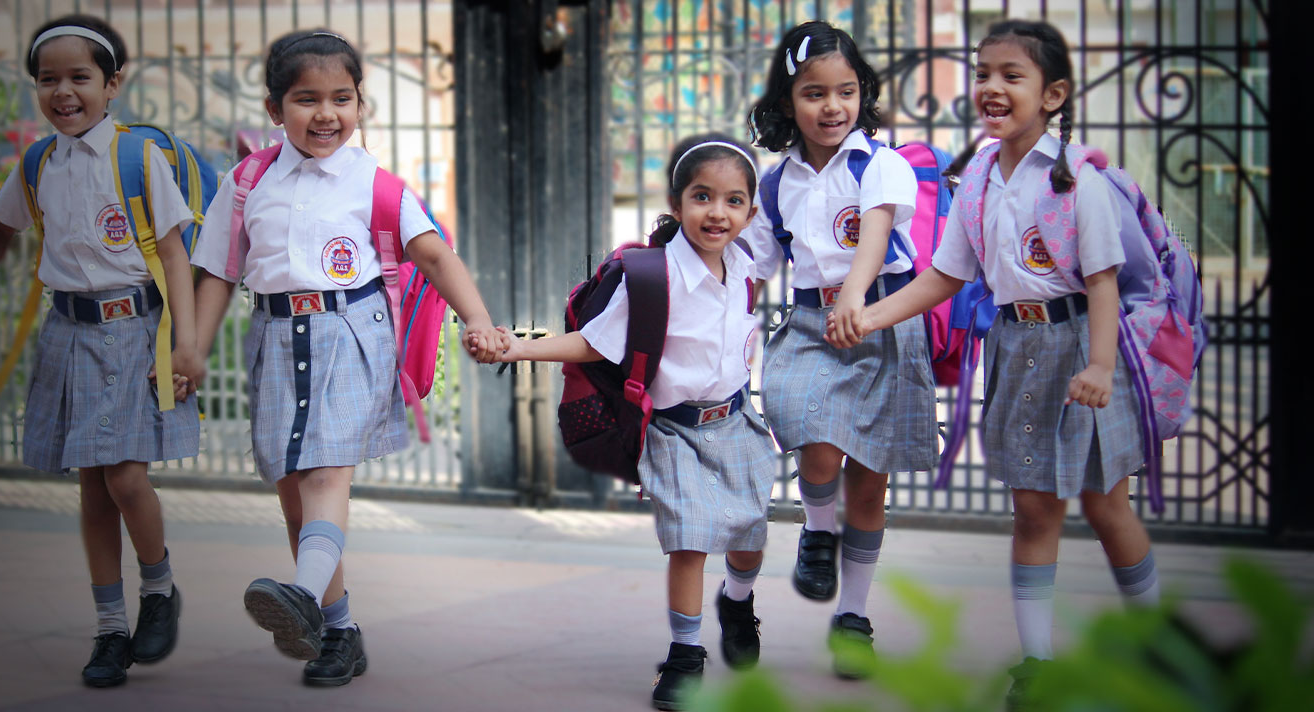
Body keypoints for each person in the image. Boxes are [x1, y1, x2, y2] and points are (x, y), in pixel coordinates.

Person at [845, 19, 1162, 709]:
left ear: (1053, 95)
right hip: (1016, 349)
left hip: (1082, 345)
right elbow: (945, 276)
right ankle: (1037, 662)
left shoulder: (1078, 181)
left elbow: (1103, 282)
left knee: (1106, 506)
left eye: (1011, 76)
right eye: (983, 73)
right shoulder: (980, 177)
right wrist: (870, 315)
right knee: (1032, 510)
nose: (991, 87)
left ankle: (1159, 646)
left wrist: (1101, 366)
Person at [190, 28, 503, 687]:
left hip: (350, 334)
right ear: (275, 109)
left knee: (326, 479)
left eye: (342, 98)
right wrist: (190, 349)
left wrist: (477, 319)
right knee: (295, 500)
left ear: (360, 103)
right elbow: (218, 271)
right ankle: (338, 630)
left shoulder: (375, 185)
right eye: (306, 99)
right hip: (276, 339)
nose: (326, 114)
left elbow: (434, 255)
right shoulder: (247, 182)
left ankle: (301, 596)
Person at [0, 14, 199, 688]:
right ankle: (109, 630)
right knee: (92, 486)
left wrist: (184, 345)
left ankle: (158, 587)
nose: (63, 92)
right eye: (48, 80)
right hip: (68, 331)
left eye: (80, 77)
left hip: (133, 331)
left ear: (112, 84)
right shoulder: (38, 163)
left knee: (125, 478)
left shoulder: (135, 159)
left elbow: (173, 253)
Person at [497, 134, 776, 711]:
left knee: (749, 535)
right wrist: (519, 348)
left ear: (750, 214)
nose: (717, 213)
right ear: (677, 203)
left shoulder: (746, 263)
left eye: (733, 201)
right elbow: (592, 344)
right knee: (689, 542)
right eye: (702, 196)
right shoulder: (651, 276)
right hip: (674, 429)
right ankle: (685, 655)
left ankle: (737, 601)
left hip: (735, 420)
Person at [743, 20, 936, 677]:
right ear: (787, 100)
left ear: (862, 94)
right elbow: (754, 263)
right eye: (814, 93)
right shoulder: (776, 182)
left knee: (870, 482)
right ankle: (818, 529)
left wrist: (855, 297)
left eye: (846, 91)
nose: (832, 106)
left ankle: (853, 617)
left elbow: (876, 234)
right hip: (809, 325)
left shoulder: (879, 164)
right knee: (812, 436)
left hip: (881, 320)